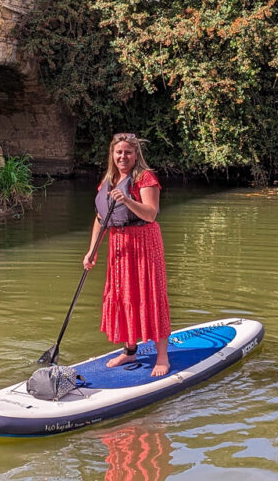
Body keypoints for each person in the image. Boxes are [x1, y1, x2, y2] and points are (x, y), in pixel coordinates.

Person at [83, 133, 172, 376]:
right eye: (119, 152)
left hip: (144, 242)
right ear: (112, 154)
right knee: (122, 294)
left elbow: (151, 214)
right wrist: (93, 250)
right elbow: (101, 218)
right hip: (118, 244)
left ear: (136, 155)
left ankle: (162, 356)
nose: (123, 156)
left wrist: (127, 200)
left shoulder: (145, 178)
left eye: (128, 152)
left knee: (150, 294)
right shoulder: (108, 181)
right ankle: (129, 350)